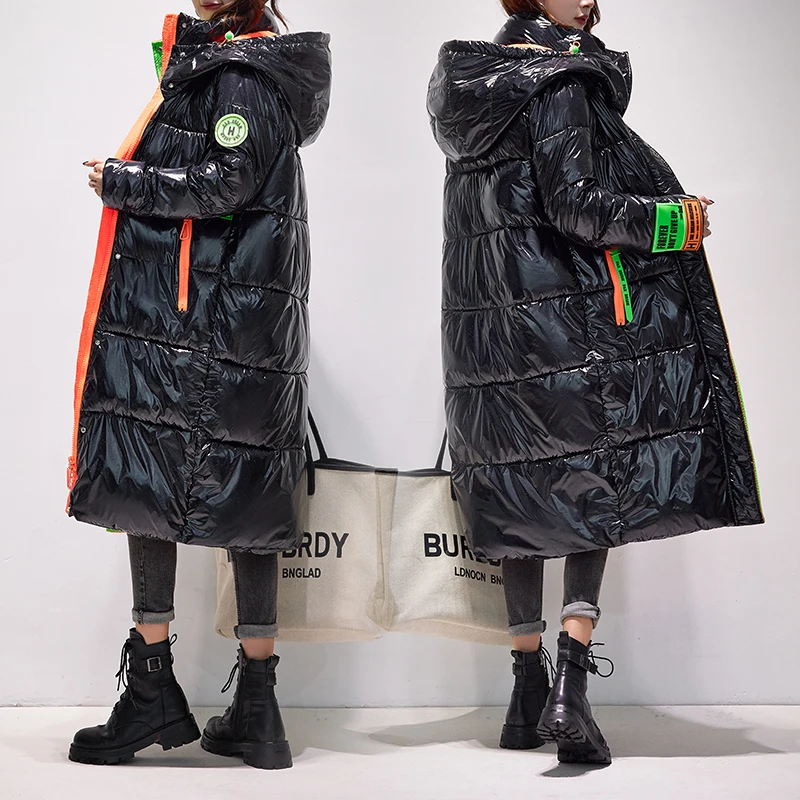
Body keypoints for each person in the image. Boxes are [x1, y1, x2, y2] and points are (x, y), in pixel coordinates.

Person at [428, 0, 762, 765]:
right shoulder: (561, 82)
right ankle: (569, 688)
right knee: (591, 495)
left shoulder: (477, 87)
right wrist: (675, 222)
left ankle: (525, 693)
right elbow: (575, 207)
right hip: (565, 327)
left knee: (519, 496)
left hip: (489, 340)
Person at [67, 0, 331, 770]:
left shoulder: (241, 71)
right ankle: (257, 707)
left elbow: (228, 181)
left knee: (146, 468)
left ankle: (155, 687)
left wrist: (124, 181)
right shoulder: (241, 63)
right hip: (236, 315)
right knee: (246, 494)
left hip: (208, 320)